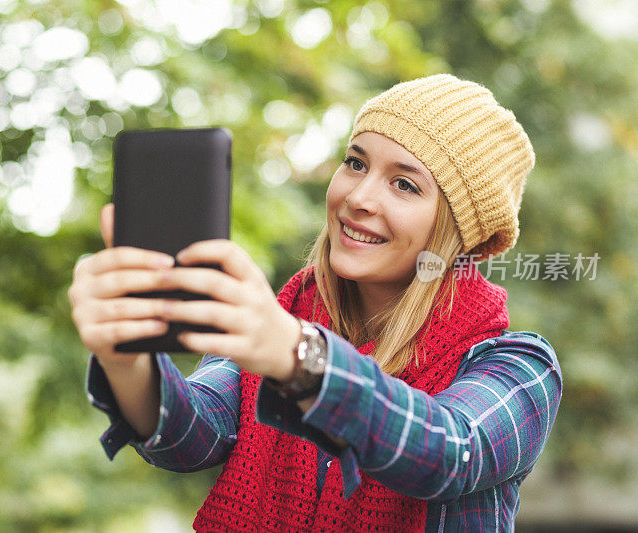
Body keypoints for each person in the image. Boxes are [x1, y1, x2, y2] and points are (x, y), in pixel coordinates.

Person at [68, 74, 562, 532]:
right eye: (356, 163)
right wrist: (125, 356)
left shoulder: (521, 366)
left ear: (458, 233)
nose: (359, 197)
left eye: (405, 184)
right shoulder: (280, 322)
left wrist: (297, 355)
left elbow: (445, 453)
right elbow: (189, 434)